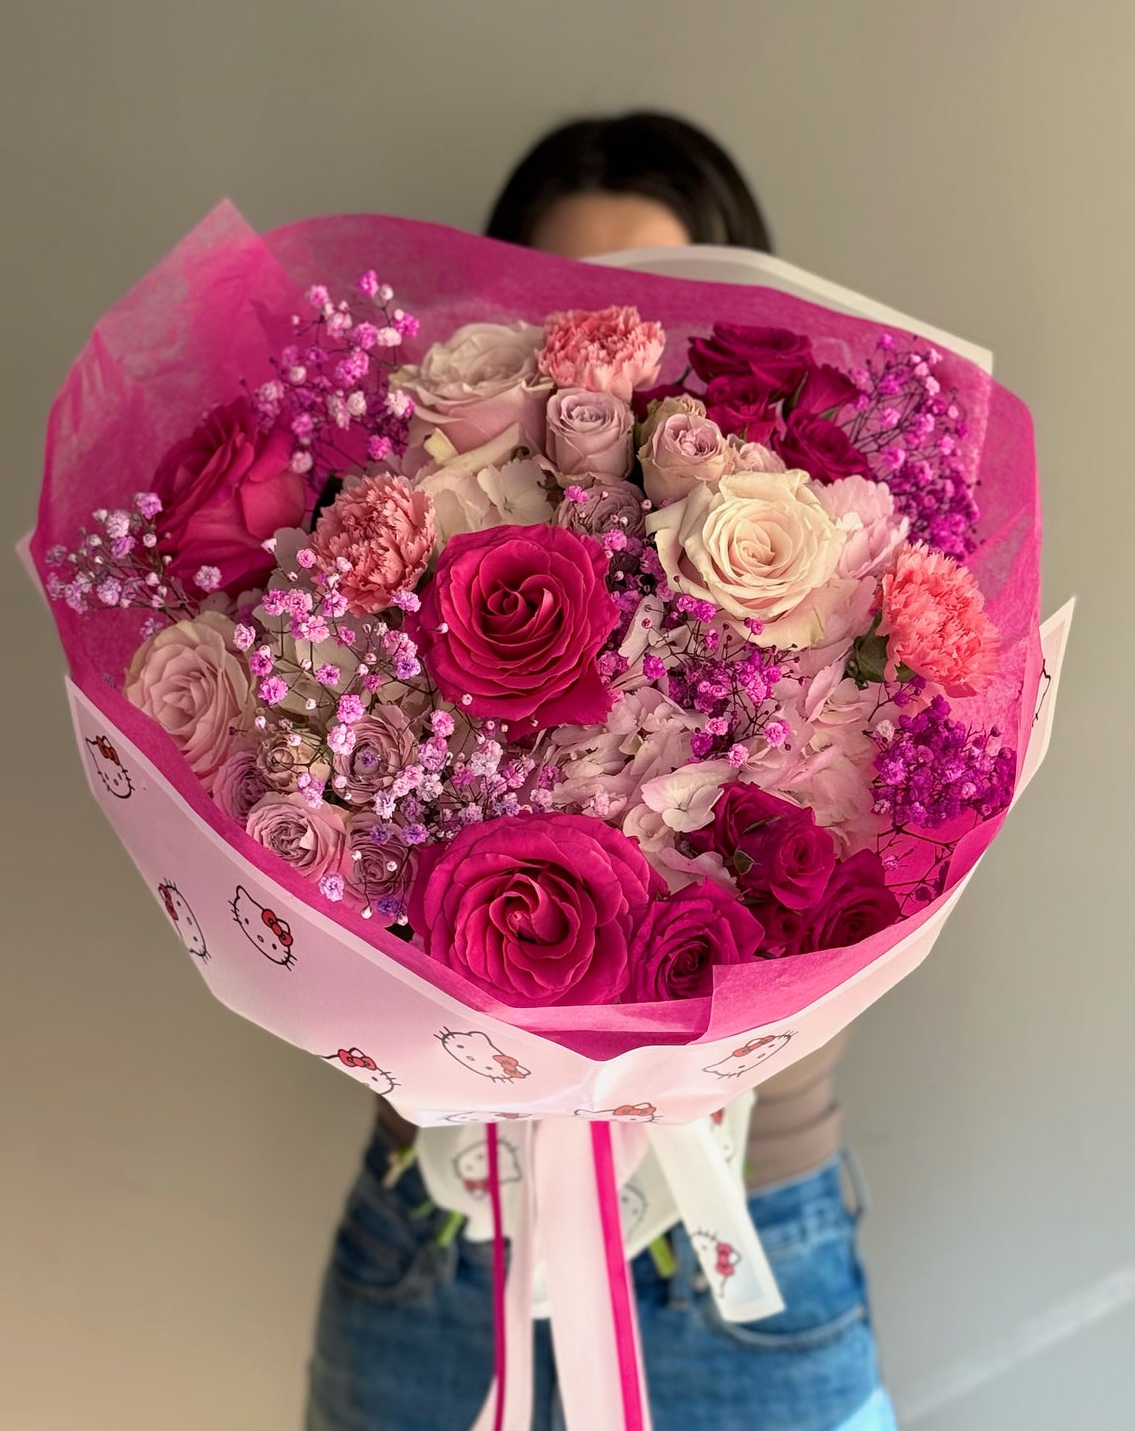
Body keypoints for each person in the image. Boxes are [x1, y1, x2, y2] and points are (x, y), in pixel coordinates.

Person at [305, 112, 895, 1431]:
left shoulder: (855, 575)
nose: (608, 355)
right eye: (562, 310)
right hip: (438, 1248)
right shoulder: (378, 567)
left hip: (741, 1250)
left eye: (656, 307)